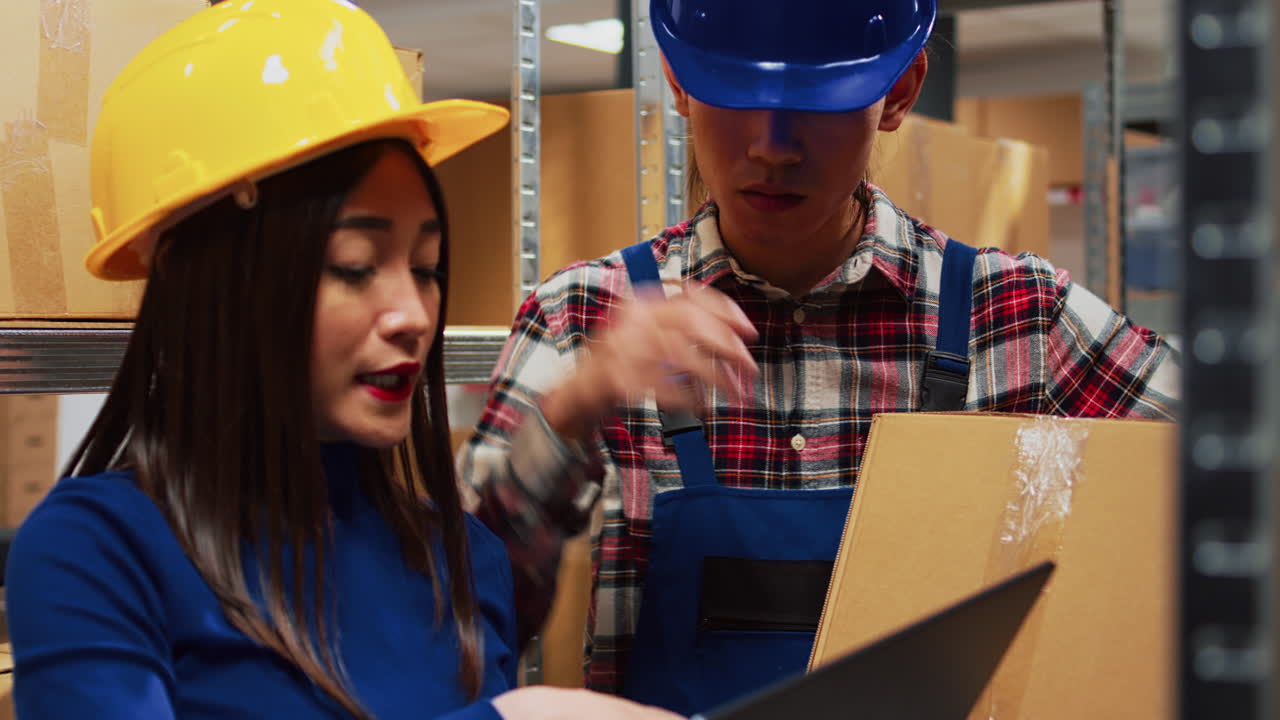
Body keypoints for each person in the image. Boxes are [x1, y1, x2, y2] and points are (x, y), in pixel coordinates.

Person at [458, 0, 1182, 716]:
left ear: (897, 92)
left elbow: (1225, 484)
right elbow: (462, 624)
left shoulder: (1018, 316)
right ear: (678, 80)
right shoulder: (581, 317)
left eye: (817, 100)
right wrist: (571, 410)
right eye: (738, 94)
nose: (772, 147)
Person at [3, 1, 681, 719]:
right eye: (356, 267)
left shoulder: (461, 559)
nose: (413, 315)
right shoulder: (98, 554)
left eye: (426, 268)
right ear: (213, 282)